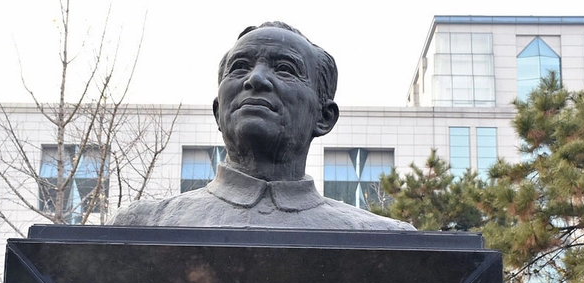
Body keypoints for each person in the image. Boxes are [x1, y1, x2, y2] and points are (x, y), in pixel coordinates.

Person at [110, 22, 415, 231]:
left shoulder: (384, 241)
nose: (255, 79)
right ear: (218, 112)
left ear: (324, 117)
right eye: (240, 66)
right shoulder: (142, 227)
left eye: (285, 68)